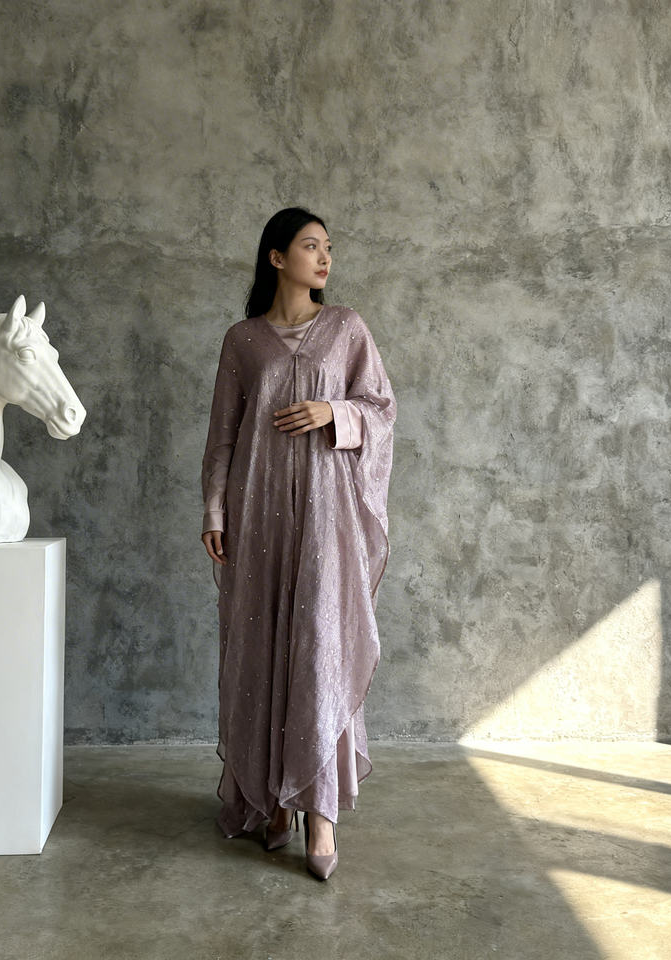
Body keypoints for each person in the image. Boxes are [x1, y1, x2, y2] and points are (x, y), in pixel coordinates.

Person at [200, 207, 395, 880]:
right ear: (277, 257)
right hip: (258, 517)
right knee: (260, 649)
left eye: (328, 247)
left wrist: (332, 412)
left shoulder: (346, 328)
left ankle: (320, 811)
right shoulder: (243, 340)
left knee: (319, 647)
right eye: (311, 246)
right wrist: (215, 509)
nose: (325, 257)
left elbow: (381, 409)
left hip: (326, 518)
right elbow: (223, 436)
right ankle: (270, 800)